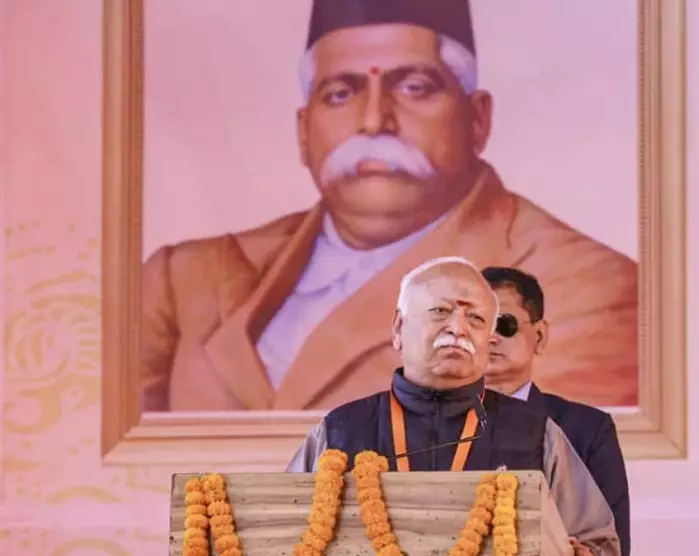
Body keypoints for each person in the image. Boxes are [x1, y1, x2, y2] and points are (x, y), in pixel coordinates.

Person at [140, 0, 637, 412]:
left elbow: (541, 474)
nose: (374, 120)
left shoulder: (584, 289)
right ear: (303, 132)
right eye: (341, 93)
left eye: (413, 87)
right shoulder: (182, 280)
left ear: (477, 120)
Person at [286, 257, 621, 555]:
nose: (458, 329)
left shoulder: (535, 433)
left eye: (475, 318)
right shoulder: (340, 432)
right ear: (399, 328)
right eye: (441, 311)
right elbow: (280, 535)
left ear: (488, 341)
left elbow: (598, 543)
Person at [481, 266, 631, 556]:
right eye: (479, 324)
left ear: (539, 335)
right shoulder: (439, 424)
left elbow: (613, 544)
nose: (491, 338)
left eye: (504, 324)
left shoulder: (587, 429)